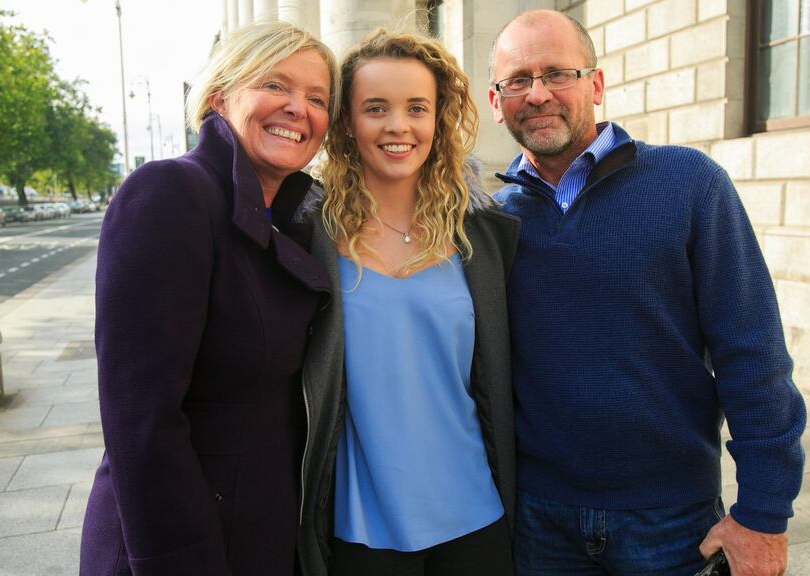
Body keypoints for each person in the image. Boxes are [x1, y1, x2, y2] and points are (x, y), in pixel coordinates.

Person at [487, 10, 806, 576]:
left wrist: (763, 513)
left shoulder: (690, 184)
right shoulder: (492, 220)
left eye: (557, 73)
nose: (537, 94)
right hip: (539, 523)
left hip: (672, 522)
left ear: (597, 84)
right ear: (496, 101)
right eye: (517, 80)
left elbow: (752, 355)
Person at [80, 21, 339, 576]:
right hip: (184, 546)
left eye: (317, 98)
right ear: (220, 97)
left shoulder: (293, 219)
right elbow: (140, 421)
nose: (298, 108)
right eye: (275, 85)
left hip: (262, 535)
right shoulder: (171, 193)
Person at [297, 30, 520, 576]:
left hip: (475, 518)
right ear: (348, 122)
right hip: (360, 531)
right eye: (377, 108)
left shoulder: (482, 237)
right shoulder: (309, 237)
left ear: (437, 119)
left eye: (416, 108)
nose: (399, 125)